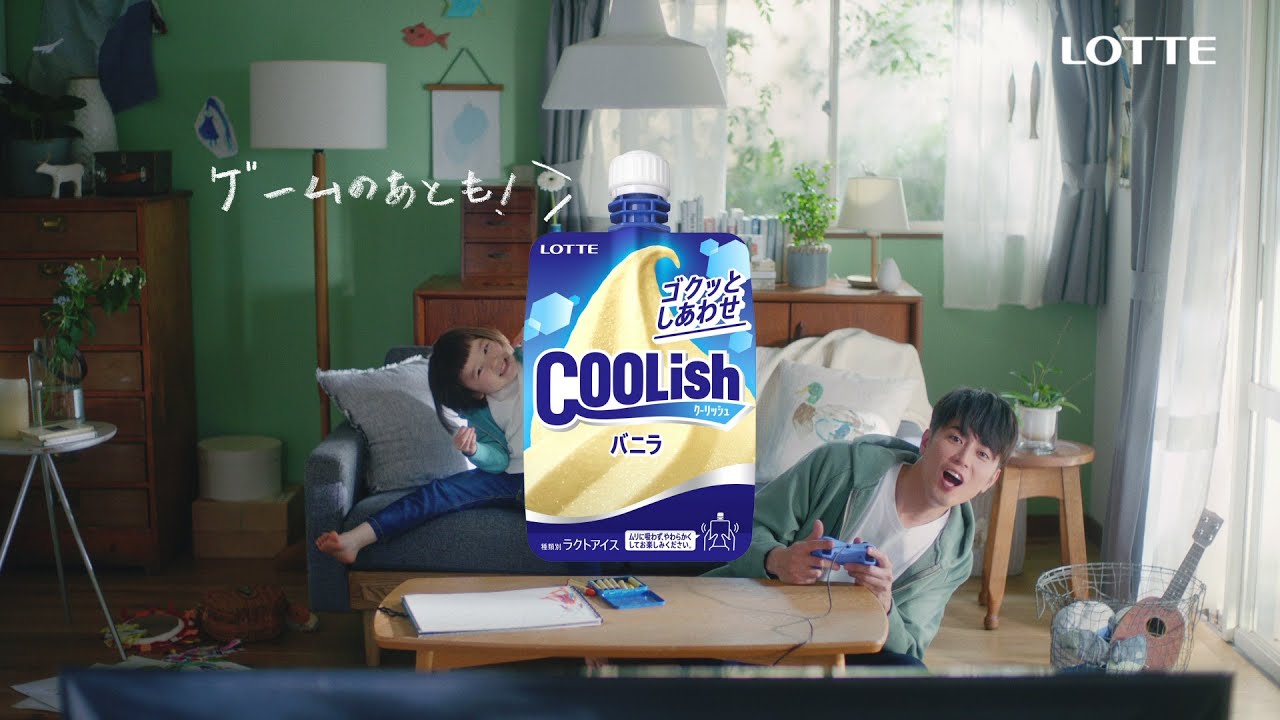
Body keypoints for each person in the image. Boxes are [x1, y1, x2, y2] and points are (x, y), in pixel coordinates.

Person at [706, 387, 1019, 666]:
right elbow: (735, 531)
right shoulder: (838, 466)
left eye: (982, 454)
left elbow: (909, 649)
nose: (963, 459)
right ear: (926, 441)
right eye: (955, 439)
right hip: (760, 615)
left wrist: (884, 605)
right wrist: (777, 560)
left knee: (909, 675)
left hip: (848, 647)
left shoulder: (954, 557)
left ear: (991, 480)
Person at [315, 327, 524, 564]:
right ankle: (355, 540)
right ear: (475, 393)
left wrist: (539, 332)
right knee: (440, 493)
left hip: (556, 474)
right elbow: (500, 461)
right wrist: (476, 450)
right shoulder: (483, 413)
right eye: (479, 371)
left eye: (486, 348)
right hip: (518, 478)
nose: (493, 361)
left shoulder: (535, 355)